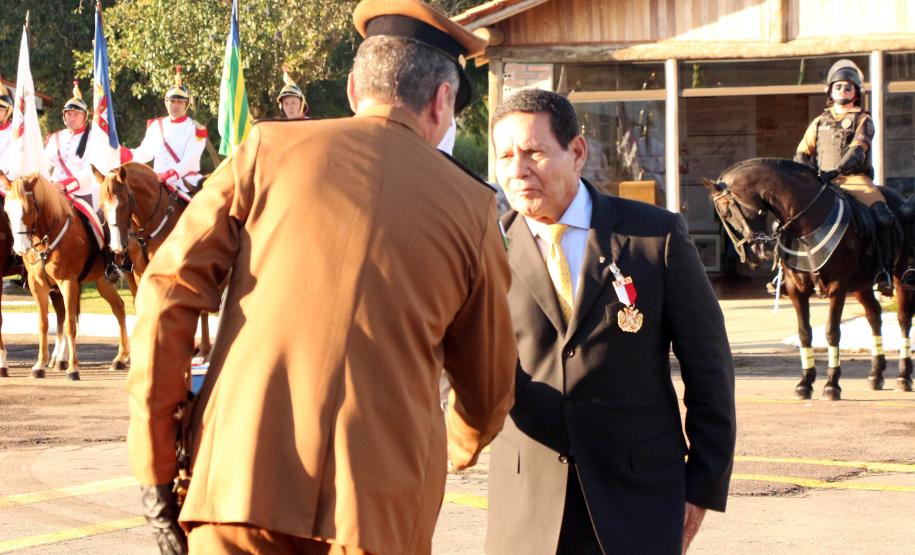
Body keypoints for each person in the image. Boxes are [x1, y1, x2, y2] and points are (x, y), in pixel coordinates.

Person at [126, 1, 516, 553]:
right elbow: (490, 384)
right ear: (442, 100)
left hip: (238, 489)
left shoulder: (266, 149)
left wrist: (155, 464)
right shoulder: (473, 208)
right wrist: (454, 444)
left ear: (355, 89)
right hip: (380, 513)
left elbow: (165, 296)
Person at [485, 89, 736, 555]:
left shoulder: (651, 237)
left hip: (638, 499)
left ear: (576, 151)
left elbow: (709, 367)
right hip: (526, 506)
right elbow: (457, 360)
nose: (517, 170)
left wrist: (702, 485)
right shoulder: (485, 248)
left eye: (534, 152)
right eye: (504, 156)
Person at [795, 59, 897, 295]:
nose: (843, 90)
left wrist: (837, 170)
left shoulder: (863, 118)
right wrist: (807, 175)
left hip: (854, 180)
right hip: (822, 183)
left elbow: (858, 150)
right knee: (790, 218)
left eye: (848, 87)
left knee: (885, 218)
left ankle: (885, 273)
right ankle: (785, 272)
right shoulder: (819, 121)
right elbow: (802, 151)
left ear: (856, 92)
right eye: (838, 86)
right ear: (830, 90)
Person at [122, 67, 207, 196]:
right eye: (172, 101)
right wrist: (122, 154)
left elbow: (189, 161)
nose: (175, 105)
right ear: (166, 103)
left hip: (186, 184)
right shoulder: (156, 126)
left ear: (186, 104)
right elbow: (144, 153)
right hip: (157, 185)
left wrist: (167, 176)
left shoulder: (195, 128)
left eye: (180, 102)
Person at [43, 81, 97, 208]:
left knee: (97, 225)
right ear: (64, 116)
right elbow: (44, 163)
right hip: (53, 191)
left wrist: (64, 185)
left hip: (81, 194)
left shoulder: (93, 138)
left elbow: (88, 172)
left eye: (76, 114)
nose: (72, 118)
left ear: (85, 117)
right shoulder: (56, 137)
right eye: (69, 114)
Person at [0, 85, 13, 178]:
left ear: (8, 111)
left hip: (5, 181)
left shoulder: (14, 132)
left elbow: (6, 162)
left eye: (0, 110)